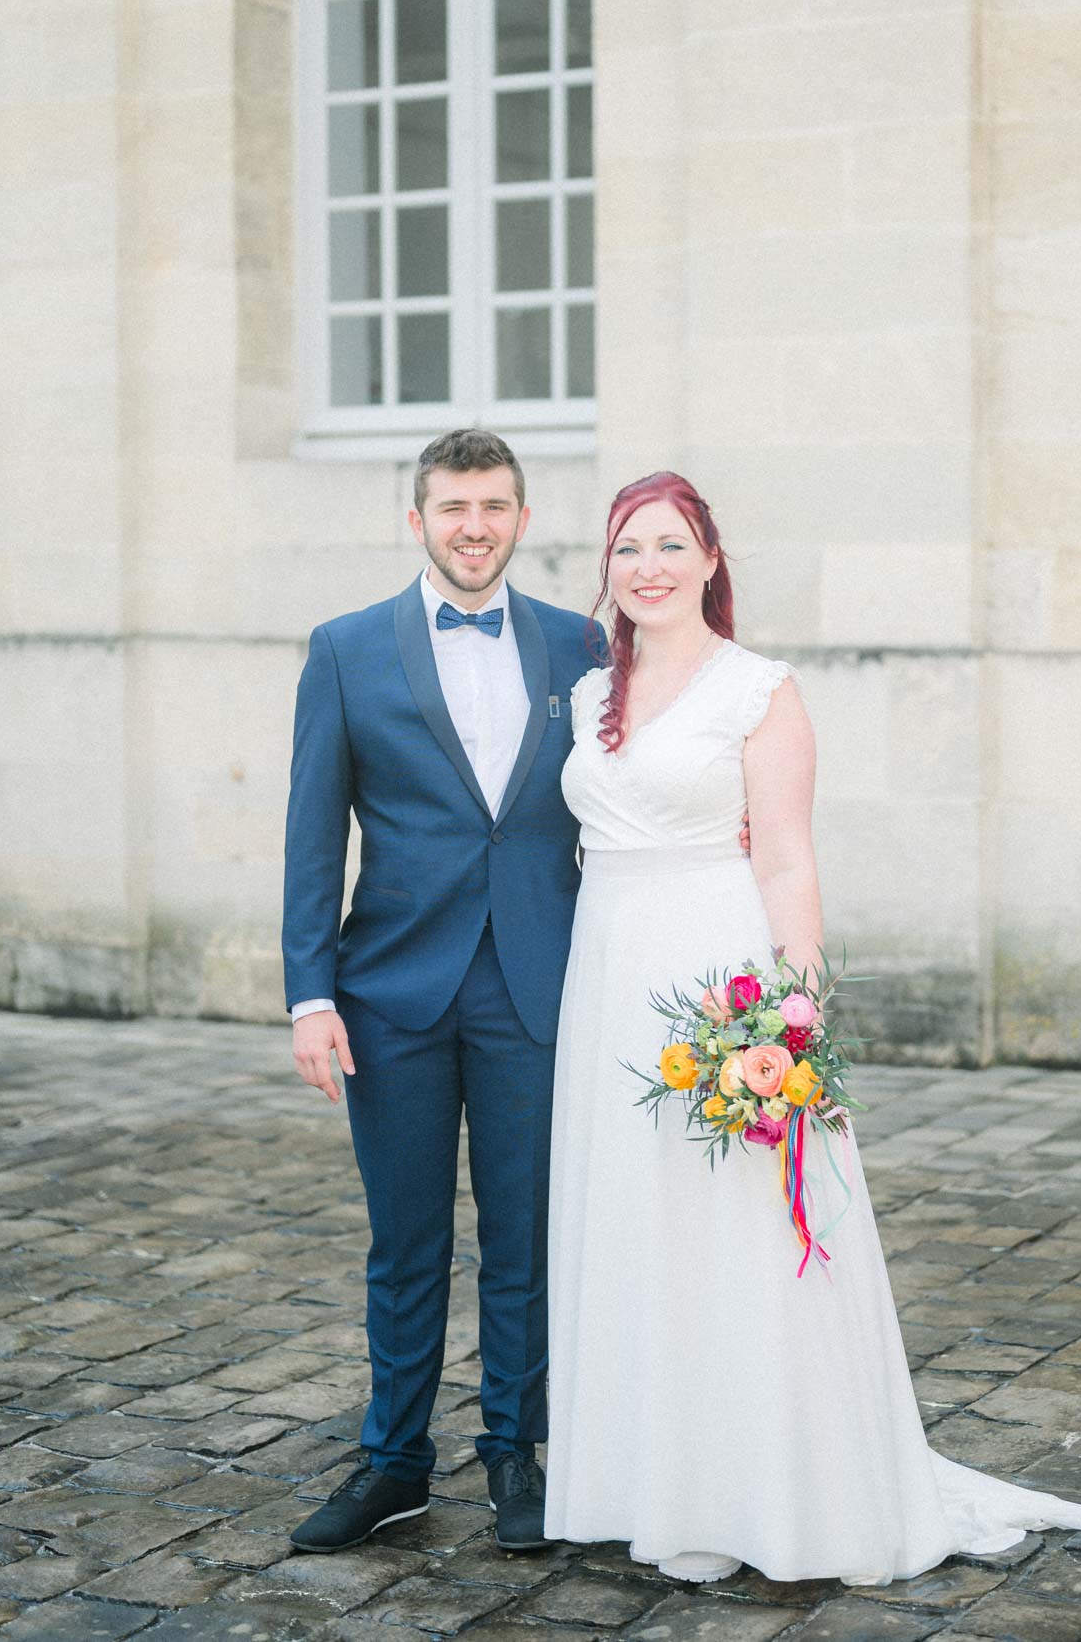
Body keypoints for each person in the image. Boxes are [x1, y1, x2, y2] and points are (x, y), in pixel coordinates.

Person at [543, 470, 1081, 1585]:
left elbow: (784, 858)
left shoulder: (759, 691)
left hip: (712, 978)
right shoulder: (590, 696)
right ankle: (647, 1479)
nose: (650, 567)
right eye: (629, 549)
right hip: (606, 977)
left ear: (711, 561)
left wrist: (792, 1018)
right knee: (635, 1221)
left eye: (672, 545)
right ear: (608, 570)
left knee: (734, 1230)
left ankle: (755, 1489)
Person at [281, 428, 605, 1554]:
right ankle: (396, 1462)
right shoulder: (345, 649)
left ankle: (517, 1452)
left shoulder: (580, 645)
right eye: (454, 506)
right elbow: (312, 838)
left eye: (496, 506)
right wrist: (307, 995)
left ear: (521, 518)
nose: (476, 526)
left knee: (523, 1236)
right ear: (414, 519)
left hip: (535, 987)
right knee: (405, 1240)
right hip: (391, 995)